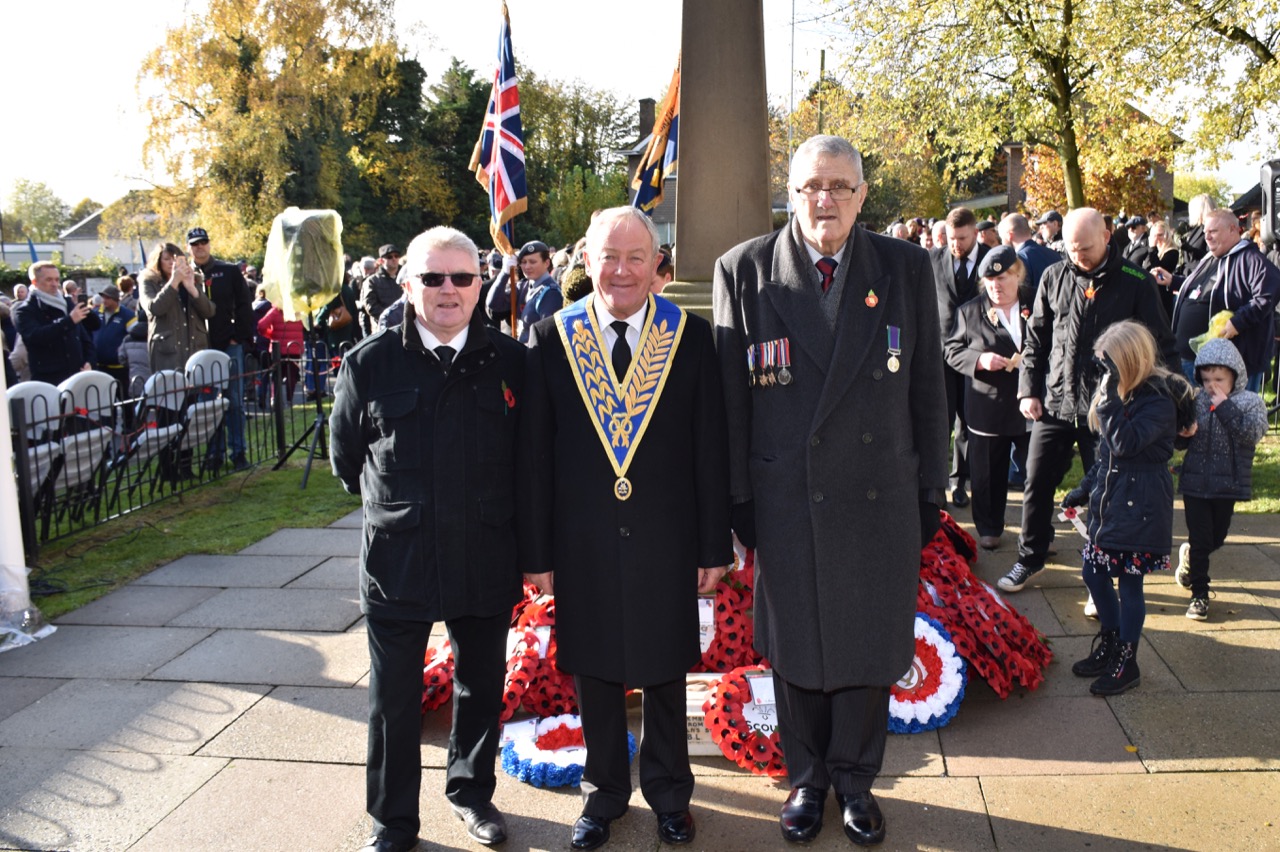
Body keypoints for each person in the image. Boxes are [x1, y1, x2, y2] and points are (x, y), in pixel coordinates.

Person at [713, 135, 948, 848]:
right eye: (812, 186)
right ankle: (807, 778)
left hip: (879, 491)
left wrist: (931, 489)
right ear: (791, 192)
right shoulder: (745, 269)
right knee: (796, 642)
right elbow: (730, 401)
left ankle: (855, 778)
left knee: (868, 639)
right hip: (786, 495)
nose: (826, 199)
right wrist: (736, 499)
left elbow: (929, 387)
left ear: (862, 195)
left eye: (840, 186)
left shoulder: (905, 267)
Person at [521, 207, 731, 851]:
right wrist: (537, 551)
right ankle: (604, 794)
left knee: (665, 668)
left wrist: (713, 544)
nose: (621, 270)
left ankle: (670, 795)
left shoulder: (690, 337)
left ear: (656, 263)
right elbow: (535, 455)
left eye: (636, 256)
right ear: (587, 260)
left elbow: (709, 450)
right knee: (595, 670)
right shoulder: (552, 338)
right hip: (581, 539)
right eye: (608, 256)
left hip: (667, 538)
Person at [331, 226, 526, 852]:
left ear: (480, 284)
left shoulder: (511, 362)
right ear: (408, 284)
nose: (448, 290)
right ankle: (392, 820)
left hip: (484, 553)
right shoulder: (369, 363)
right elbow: (347, 462)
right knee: (393, 699)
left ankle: (472, 794)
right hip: (400, 558)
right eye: (432, 277)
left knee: (481, 685)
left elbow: (531, 461)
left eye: (462, 277)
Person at [1000, 208, 1176, 594]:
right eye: (1072, 248)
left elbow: (1161, 345)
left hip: (1108, 410)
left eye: (1086, 248)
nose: (1078, 256)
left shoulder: (1136, 282)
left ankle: (1104, 573)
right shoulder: (1054, 276)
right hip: (1056, 403)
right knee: (1036, 481)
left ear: (1107, 237)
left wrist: (1180, 404)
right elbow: (1036, 339)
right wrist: (1028, 390)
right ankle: (1030, 557)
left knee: (1108, 492)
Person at [1059, 320, 1188, 695]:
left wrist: (1110, 397)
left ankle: (1127, 662)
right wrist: (1083, 490)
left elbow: (1125, 443)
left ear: (1128, 362)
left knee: (1130, 586)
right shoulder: (1120, 396)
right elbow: (1106, 456)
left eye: (1108, 364)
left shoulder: (1159, 400)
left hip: (1141, 507)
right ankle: (1113, 642)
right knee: (1093, 573)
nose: (1103, 373)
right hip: (1112, 505)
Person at [944, 245, 1034, 551]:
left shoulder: (1036, 303)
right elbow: (952, 350)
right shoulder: (970, 311)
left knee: (1036, 471)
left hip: (1031, 402)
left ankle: (1037, 530)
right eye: (990, 280)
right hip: (989, 403)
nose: (996, 285)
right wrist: (979, 360)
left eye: (1003, 278)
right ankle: (989, 526)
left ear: (1017, 275)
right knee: (987, 472)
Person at [1173, 338, 1269, 620]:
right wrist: (1183, 433)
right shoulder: (1195, 400)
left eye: (1219, 379)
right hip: (1195, 483)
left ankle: (1190, 557)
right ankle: (1199, 594)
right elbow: (1178, 440)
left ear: (1235, 376)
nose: (1211, 386)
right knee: (1201, 538)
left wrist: (1225, 406)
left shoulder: (1249, 402)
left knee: (1217, 537)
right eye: (1206, 379)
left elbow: (1251, 435)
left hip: (1227, 485)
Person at [1156, 209, 1280, 393]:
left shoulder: (1251, 258)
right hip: (1191, 362)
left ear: (1233, 229)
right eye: (1205, 232)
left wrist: (1238, 322)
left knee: (1230, 412)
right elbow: (1203, 289)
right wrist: (1173, 281)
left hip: (1228, 369)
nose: (1207, 237)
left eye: (1213, 231)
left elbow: (1268, 294)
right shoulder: (1211, 258)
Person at [931, 206, 990, 508]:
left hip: (977, 355)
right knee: (939, 420)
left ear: (976, 233)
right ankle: (936, 484)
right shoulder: (933, 260)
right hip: (940, 354)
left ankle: (960, 482)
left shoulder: (991, 259)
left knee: (968, 421)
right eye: (951, 238)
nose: (956, 245)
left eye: (962, 239)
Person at [189, 227, 253, 470]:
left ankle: (238, 452)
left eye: (203, 242)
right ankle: (214, 453)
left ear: (209, 244)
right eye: (195, 244)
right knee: (207, 404)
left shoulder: (228, 271)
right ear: (189, 248)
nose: (200, 247)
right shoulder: (185, 274)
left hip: (228, 343)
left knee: (233, 400)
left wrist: (239, 336)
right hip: (200, 348)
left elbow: (245, 303)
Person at [13, 260, 101, 384]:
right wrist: (69, 321)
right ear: (35, 282)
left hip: (78, 376)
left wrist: (89, 362)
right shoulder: (25, 310)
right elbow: (35, 337)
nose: (54, 284)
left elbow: (85, 338)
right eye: (49, 280)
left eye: (57, 279)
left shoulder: (67, 303)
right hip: (50, 380)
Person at [139, 242, 213, 372]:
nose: (172, 263)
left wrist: (191, 288)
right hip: (168, 351)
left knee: (197, 383)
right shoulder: (149, 281)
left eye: (176, 259)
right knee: (170, 383)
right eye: (167, 259)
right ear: (158, 262)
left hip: (195, 348)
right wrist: (174, 282)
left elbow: (209, 311)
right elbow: (154, 308)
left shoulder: (192, 279)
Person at [486, 239, 563, 342]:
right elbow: (493, 304)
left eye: (532, 262)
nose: (527, 266)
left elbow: (548, 336)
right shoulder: (523, 286)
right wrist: (504, 273)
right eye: (523, 262)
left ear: (546, 263)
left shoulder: (551, 293)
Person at [91, 284, 137, 393]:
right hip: (98, 366)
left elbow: (134, 336)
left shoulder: (127, 315)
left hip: (119, 368)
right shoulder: (95, 313)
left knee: (122, 396)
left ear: (115, 299)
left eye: (108, 298)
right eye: (103, 297)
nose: (104, 300)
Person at [998, 213, 1062, 289]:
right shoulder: (1053, 253)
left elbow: (1023, 292)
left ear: (1009, 236)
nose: (1002, 242)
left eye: (1002, 238)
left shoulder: (1019, 260)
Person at [359, 244, 403, 336]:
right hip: (382, 330)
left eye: (396, 256)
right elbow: (370, 306)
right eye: (389, 257)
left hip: (404, 327)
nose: (394, 259)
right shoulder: (371, 281)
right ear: (381, 260)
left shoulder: (405, 279)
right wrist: (390, 318)